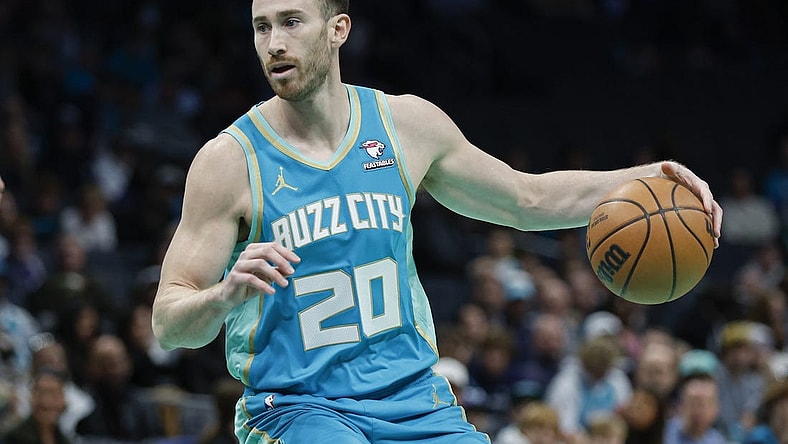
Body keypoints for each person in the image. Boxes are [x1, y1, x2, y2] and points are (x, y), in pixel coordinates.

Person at [150, 1, 723, 443]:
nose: (273, 43)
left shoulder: (404, 125)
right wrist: (224, 295)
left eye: (291, 22)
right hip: (299, 405)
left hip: (412, 396)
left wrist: (648, 178)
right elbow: (170, 323)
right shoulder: (229, 161)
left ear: (338, 29)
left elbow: (524, 199)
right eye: (261, 27)